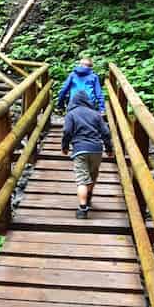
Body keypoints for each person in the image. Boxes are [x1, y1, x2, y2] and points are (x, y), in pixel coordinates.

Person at [61, 89, 112, 219]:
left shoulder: (71, 114)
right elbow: (106, 132)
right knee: (92, 175)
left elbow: (67, 131)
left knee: (82, 180)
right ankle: (88, 196)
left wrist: (65, 147)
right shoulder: (96, 115)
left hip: (80, 149)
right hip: (96, 149)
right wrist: (109, 149)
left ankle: (82, 208)